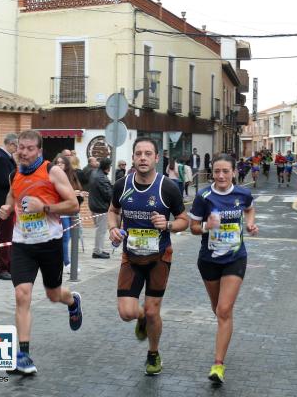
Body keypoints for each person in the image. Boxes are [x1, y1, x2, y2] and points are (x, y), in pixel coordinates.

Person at [0, 130, 82, 375]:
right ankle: (23, 355)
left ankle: (72, 300)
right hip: (23, 244)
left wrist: (44, 207)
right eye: (20, 147)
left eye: (29, 148)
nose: (23, 152)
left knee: (53, 295)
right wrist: (6, 208)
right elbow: (12, 197)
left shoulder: (51, 171)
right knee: (22, 295)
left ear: (39, 150)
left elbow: (73, 204)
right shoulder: (14, 173)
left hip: (49, 243)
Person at [108, 137, 189, 376]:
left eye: (147, 154)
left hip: (159, 257)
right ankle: (141, 318)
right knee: (126, 313)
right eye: (138, 153)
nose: (143, 157)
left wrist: (168, 225)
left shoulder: (168, 187)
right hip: (130, 258)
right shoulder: (122, 185)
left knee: (154, 311)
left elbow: (185, 220)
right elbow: (113, 211)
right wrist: (113, 228)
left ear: (156, 158)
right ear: (133, 158)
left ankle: (153, 353)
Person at [189, 154, 258, 384]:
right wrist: (207, 226)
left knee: (225, 309)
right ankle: (224, 328)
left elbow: (249, 208)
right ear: (212, 172)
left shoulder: (242, 194)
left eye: (225, 171)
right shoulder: (203, 196)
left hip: (235, 258)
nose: (221, 176)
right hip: (209, 260)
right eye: (217, 171)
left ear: (233, 172)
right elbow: (193, 228)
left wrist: (249, 223)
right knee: (218, 309)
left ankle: (218, 364)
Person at [0, 133, 18, 281]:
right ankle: (2, 268)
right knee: (5, 236)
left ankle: (9, 266)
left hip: (9, 203)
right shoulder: (0, 158)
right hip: (4, 204)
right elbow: (5, 181)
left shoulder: (6, 157)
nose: (18, 149)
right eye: (16, 145)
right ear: (11, 144)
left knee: (10, 236)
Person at [54, 155, 84, 272]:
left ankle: (63, 260)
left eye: (62, 163)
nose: (60, 165)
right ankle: (67, 263)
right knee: (65, 237)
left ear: (67, 165)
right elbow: (55, 194)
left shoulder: (72, 176)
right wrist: (72, 193)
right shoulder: (53, 177)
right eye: (57, 162)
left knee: (72, 236)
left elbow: (77, 189)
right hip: (61, 211)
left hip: (72, 210)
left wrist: (79, 193)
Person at [88, 158, 113, 259]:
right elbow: (108, 194)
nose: (110, 168)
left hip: (95, 205)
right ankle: (97, 251)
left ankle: (99, 249)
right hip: (101, 207)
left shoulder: (95, 173)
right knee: (101, 230)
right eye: (110, 166)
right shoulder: (101, 178)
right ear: (107, 168)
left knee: (100, 229)